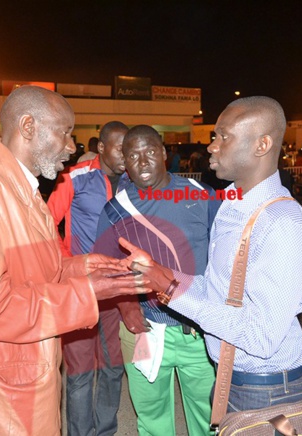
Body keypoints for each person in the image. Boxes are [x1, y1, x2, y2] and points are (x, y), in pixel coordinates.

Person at [0, 86, 146, 435]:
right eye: (64, 132)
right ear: (29, 126)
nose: (71, 146)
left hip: (30, 368)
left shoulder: (25, 190)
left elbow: (38, 271)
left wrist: (83, 267)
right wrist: (83, 294)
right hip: (1, 388)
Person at [121, 96, 302, 413]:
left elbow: (261, 337)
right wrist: (164, 275)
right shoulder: (234, 205)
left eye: (223, 136)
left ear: (262, 145)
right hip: (236, 378)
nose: (212, 146)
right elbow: (218, 292)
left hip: (269, 390)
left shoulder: (282, 224)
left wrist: (172, 290)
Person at [94, 125, 219, 435]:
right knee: (151, 419)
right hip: (145, 332)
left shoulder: (200, 195)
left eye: (150, 152)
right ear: (124, 161)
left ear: (164, 154)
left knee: (208, 419)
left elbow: (225, 258)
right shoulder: (115, 210)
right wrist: (125, 306)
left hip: (198, 333)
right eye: (133, 155)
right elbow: (104, 269)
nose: (143, 161)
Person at [47, 121, 129, 436]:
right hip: (80, 291)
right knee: (80, 372)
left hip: (118, 293)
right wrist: (69, 265)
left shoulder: (133, 183)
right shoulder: (74, 178)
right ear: (102, 147)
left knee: (111, 369)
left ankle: (105, 430)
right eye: (120, 147)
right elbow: (46, 223)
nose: (126, 155)